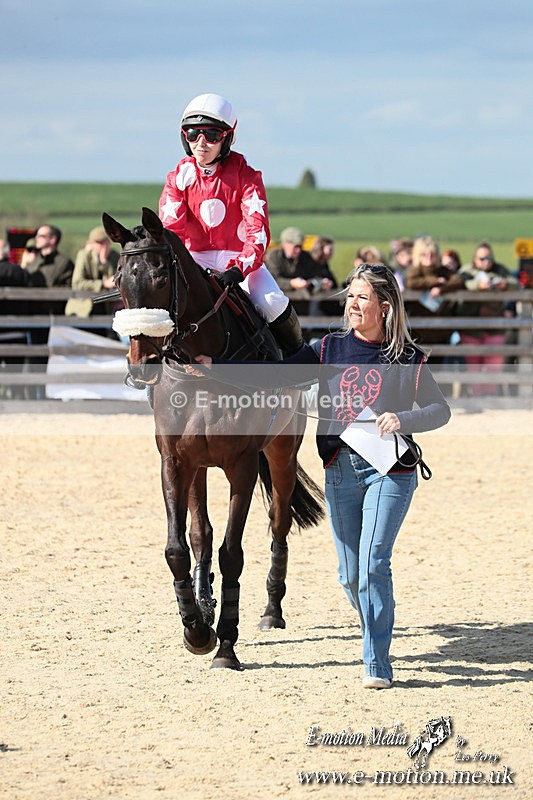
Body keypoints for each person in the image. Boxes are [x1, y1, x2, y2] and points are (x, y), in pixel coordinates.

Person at [188, 263, 451, 687]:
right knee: (350, 575)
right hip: (340, 473)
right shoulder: (328, 350)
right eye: (350, 296)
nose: (352, 304)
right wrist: (215, 366)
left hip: (391, 472)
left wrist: (403, 418)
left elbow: (441, 410)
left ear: (384, 307)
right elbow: (274, 374)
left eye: (361, 297)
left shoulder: (407, 358)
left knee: (372, 565)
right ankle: (375, 632)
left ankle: (376, 663)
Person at [159, 92, 303, 356]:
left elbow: (257, 232)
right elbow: (171, 232)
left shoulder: (247, 176)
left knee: (272, 302)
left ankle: (299, 363)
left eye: (212, 135)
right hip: (194, 259)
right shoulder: (177, 178)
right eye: (193, 134)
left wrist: (239, 269)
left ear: (226, 138)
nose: (201, 143)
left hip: (239, 262)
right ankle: (150, 373)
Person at [458, 242, 518, 396]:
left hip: (494, 325)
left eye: (489, 258)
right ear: (475, 258)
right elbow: (459, 282)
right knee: (474, 365)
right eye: (482, 258)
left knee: (494, 363)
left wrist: (503, 284)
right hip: (471, 327)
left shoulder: (500, 270)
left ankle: (490, 394)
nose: (486, 262)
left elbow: (515, 283)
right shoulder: (467, 271)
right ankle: (477, 395)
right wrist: (477, 285)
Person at [405, 235, 464, 357]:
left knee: (438, 368)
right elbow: (412, 283)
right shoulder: (415, 271)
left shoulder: (443, 270)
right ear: (418, 255)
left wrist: (442, 289)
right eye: (424, 255)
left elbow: (458, 281)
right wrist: (435, 281)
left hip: (440, 330)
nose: (429, 258)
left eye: (432, 254)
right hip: (418, 330)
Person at [65, 225, 119, 320]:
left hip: (106, 309)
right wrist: (103, 284)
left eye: (103, 243)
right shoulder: (84, 256)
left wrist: (104, 262)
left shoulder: (115, 257)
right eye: (97, 243)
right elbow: (77, 283)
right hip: (82, 309)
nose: (100, 246)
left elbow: (115, 281)